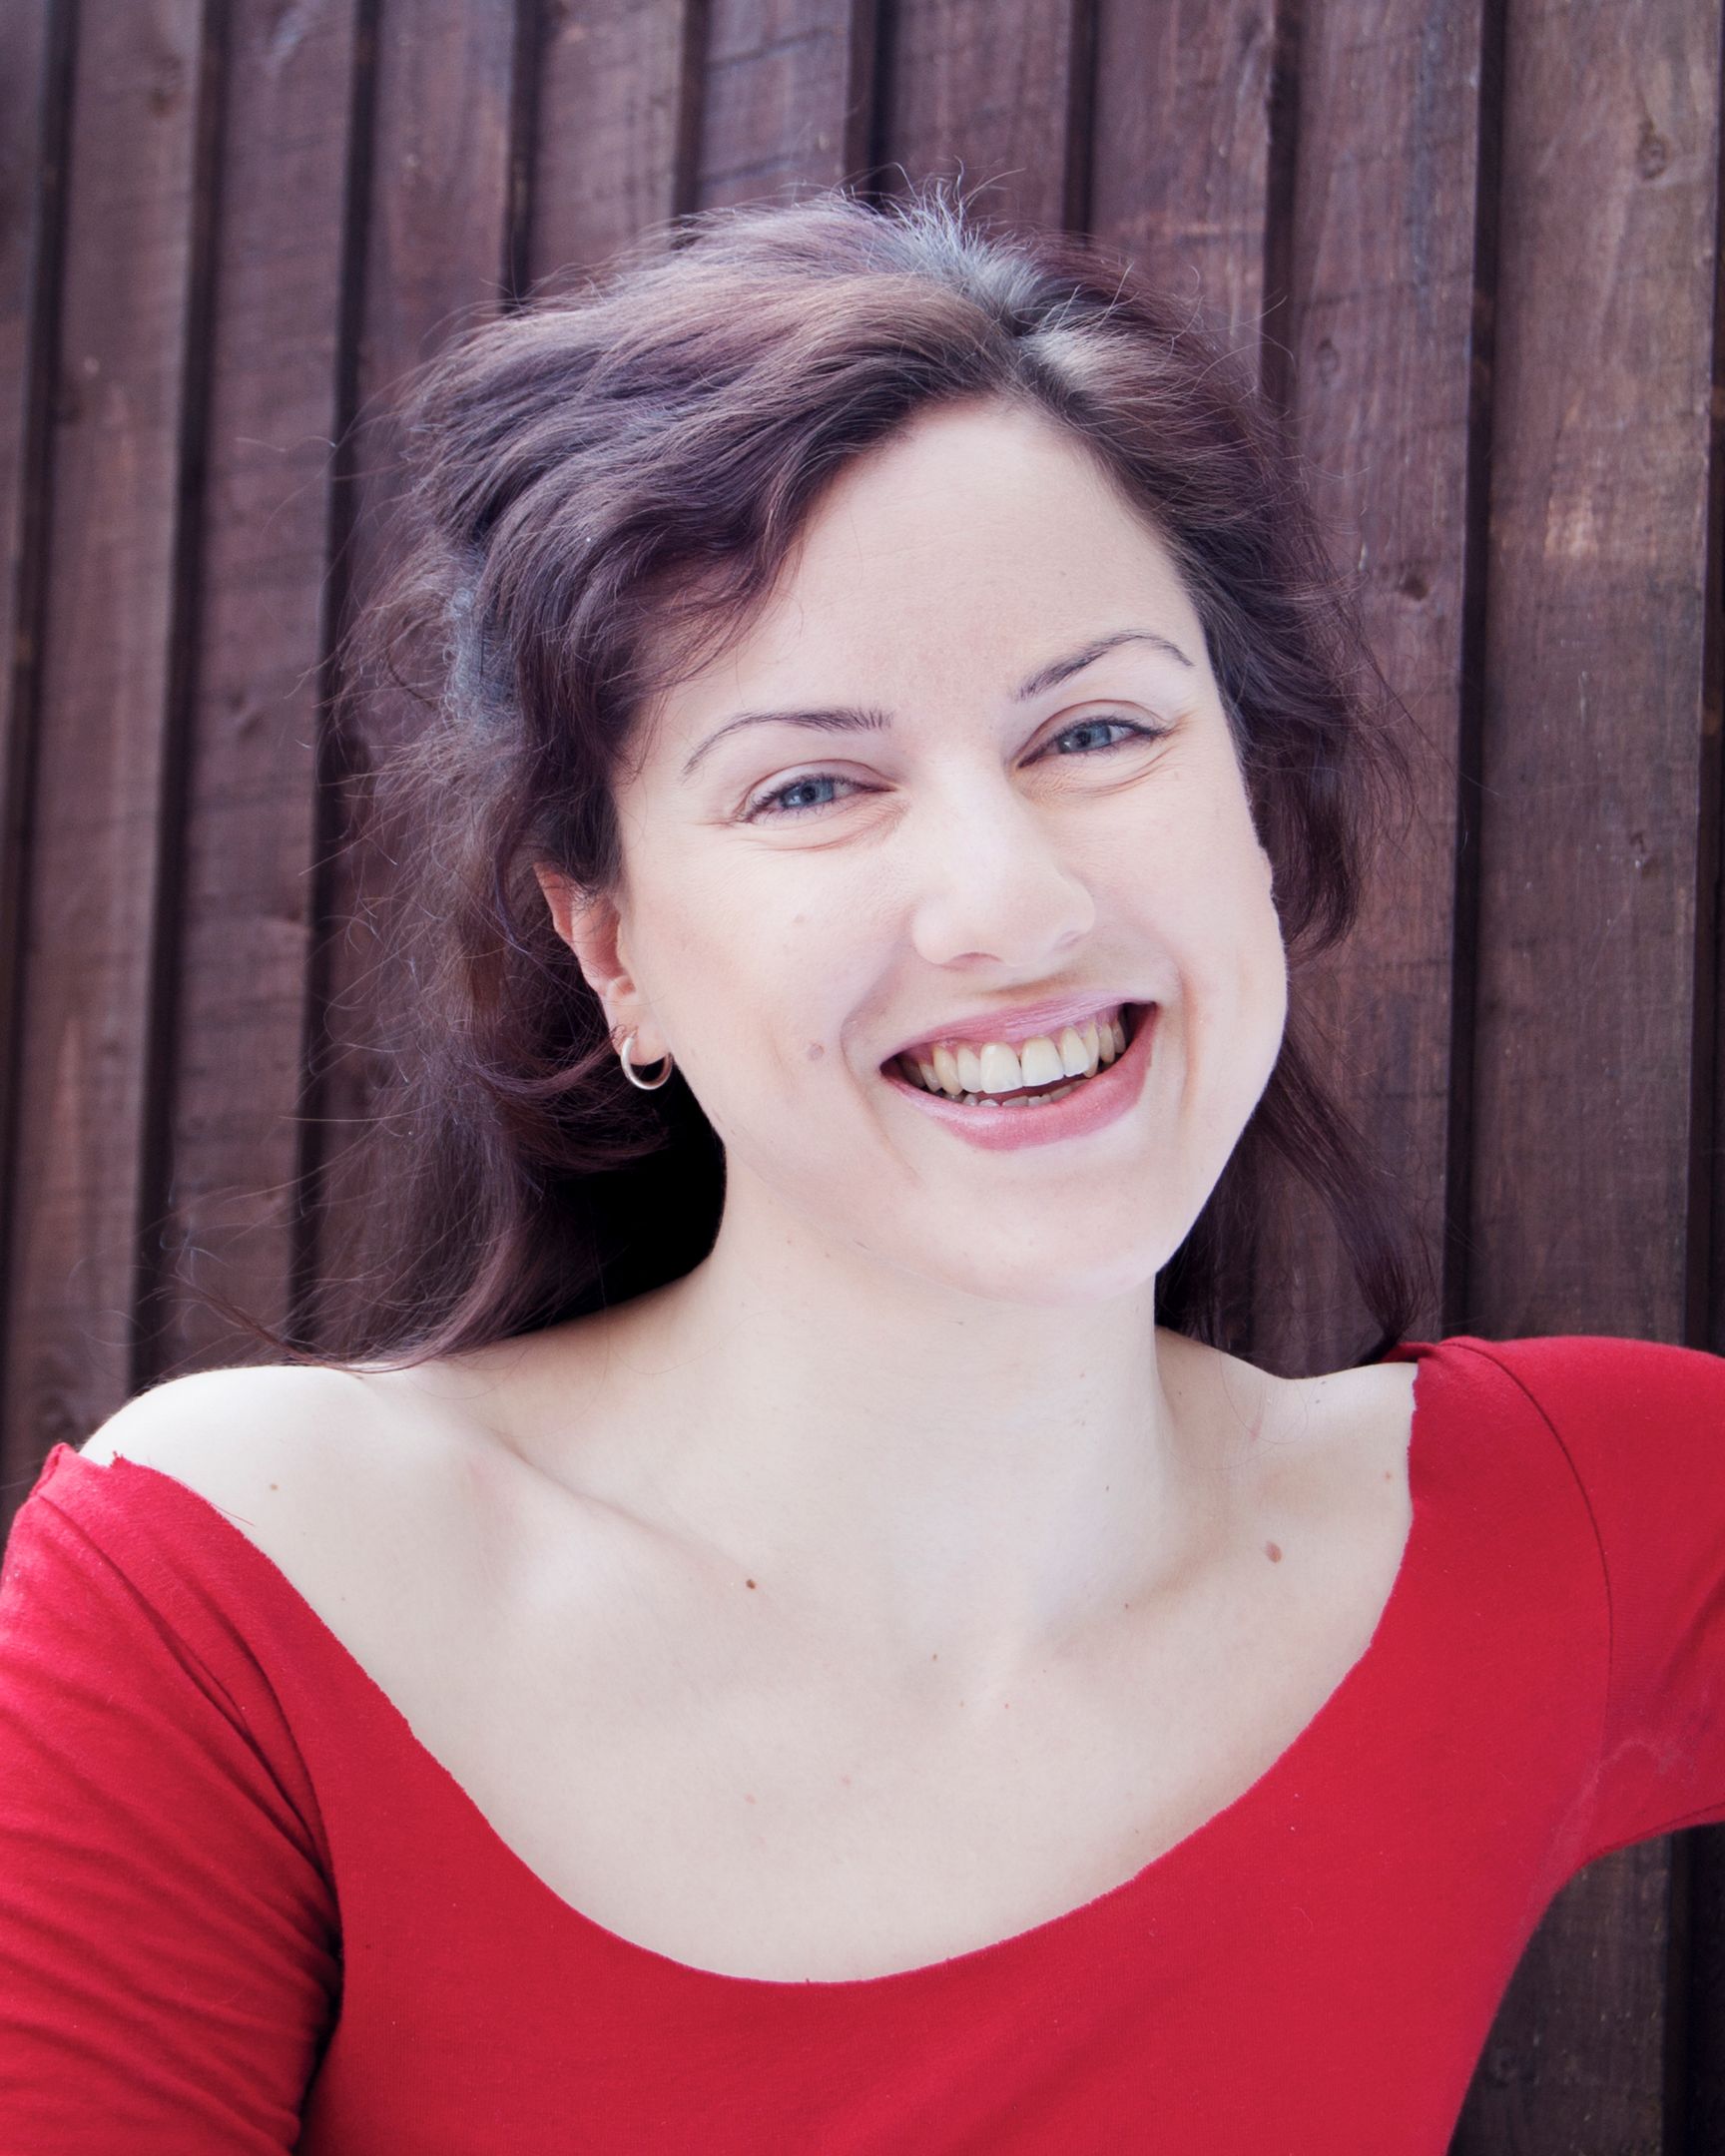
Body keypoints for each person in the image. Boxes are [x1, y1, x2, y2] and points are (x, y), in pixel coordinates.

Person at [2, 182, 1721, 2153]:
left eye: (1098, 730)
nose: (1010, 903)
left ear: (1253, 800)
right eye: (812, 784)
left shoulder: (1549, 1530)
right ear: (611, 945)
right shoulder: (240, 1593)